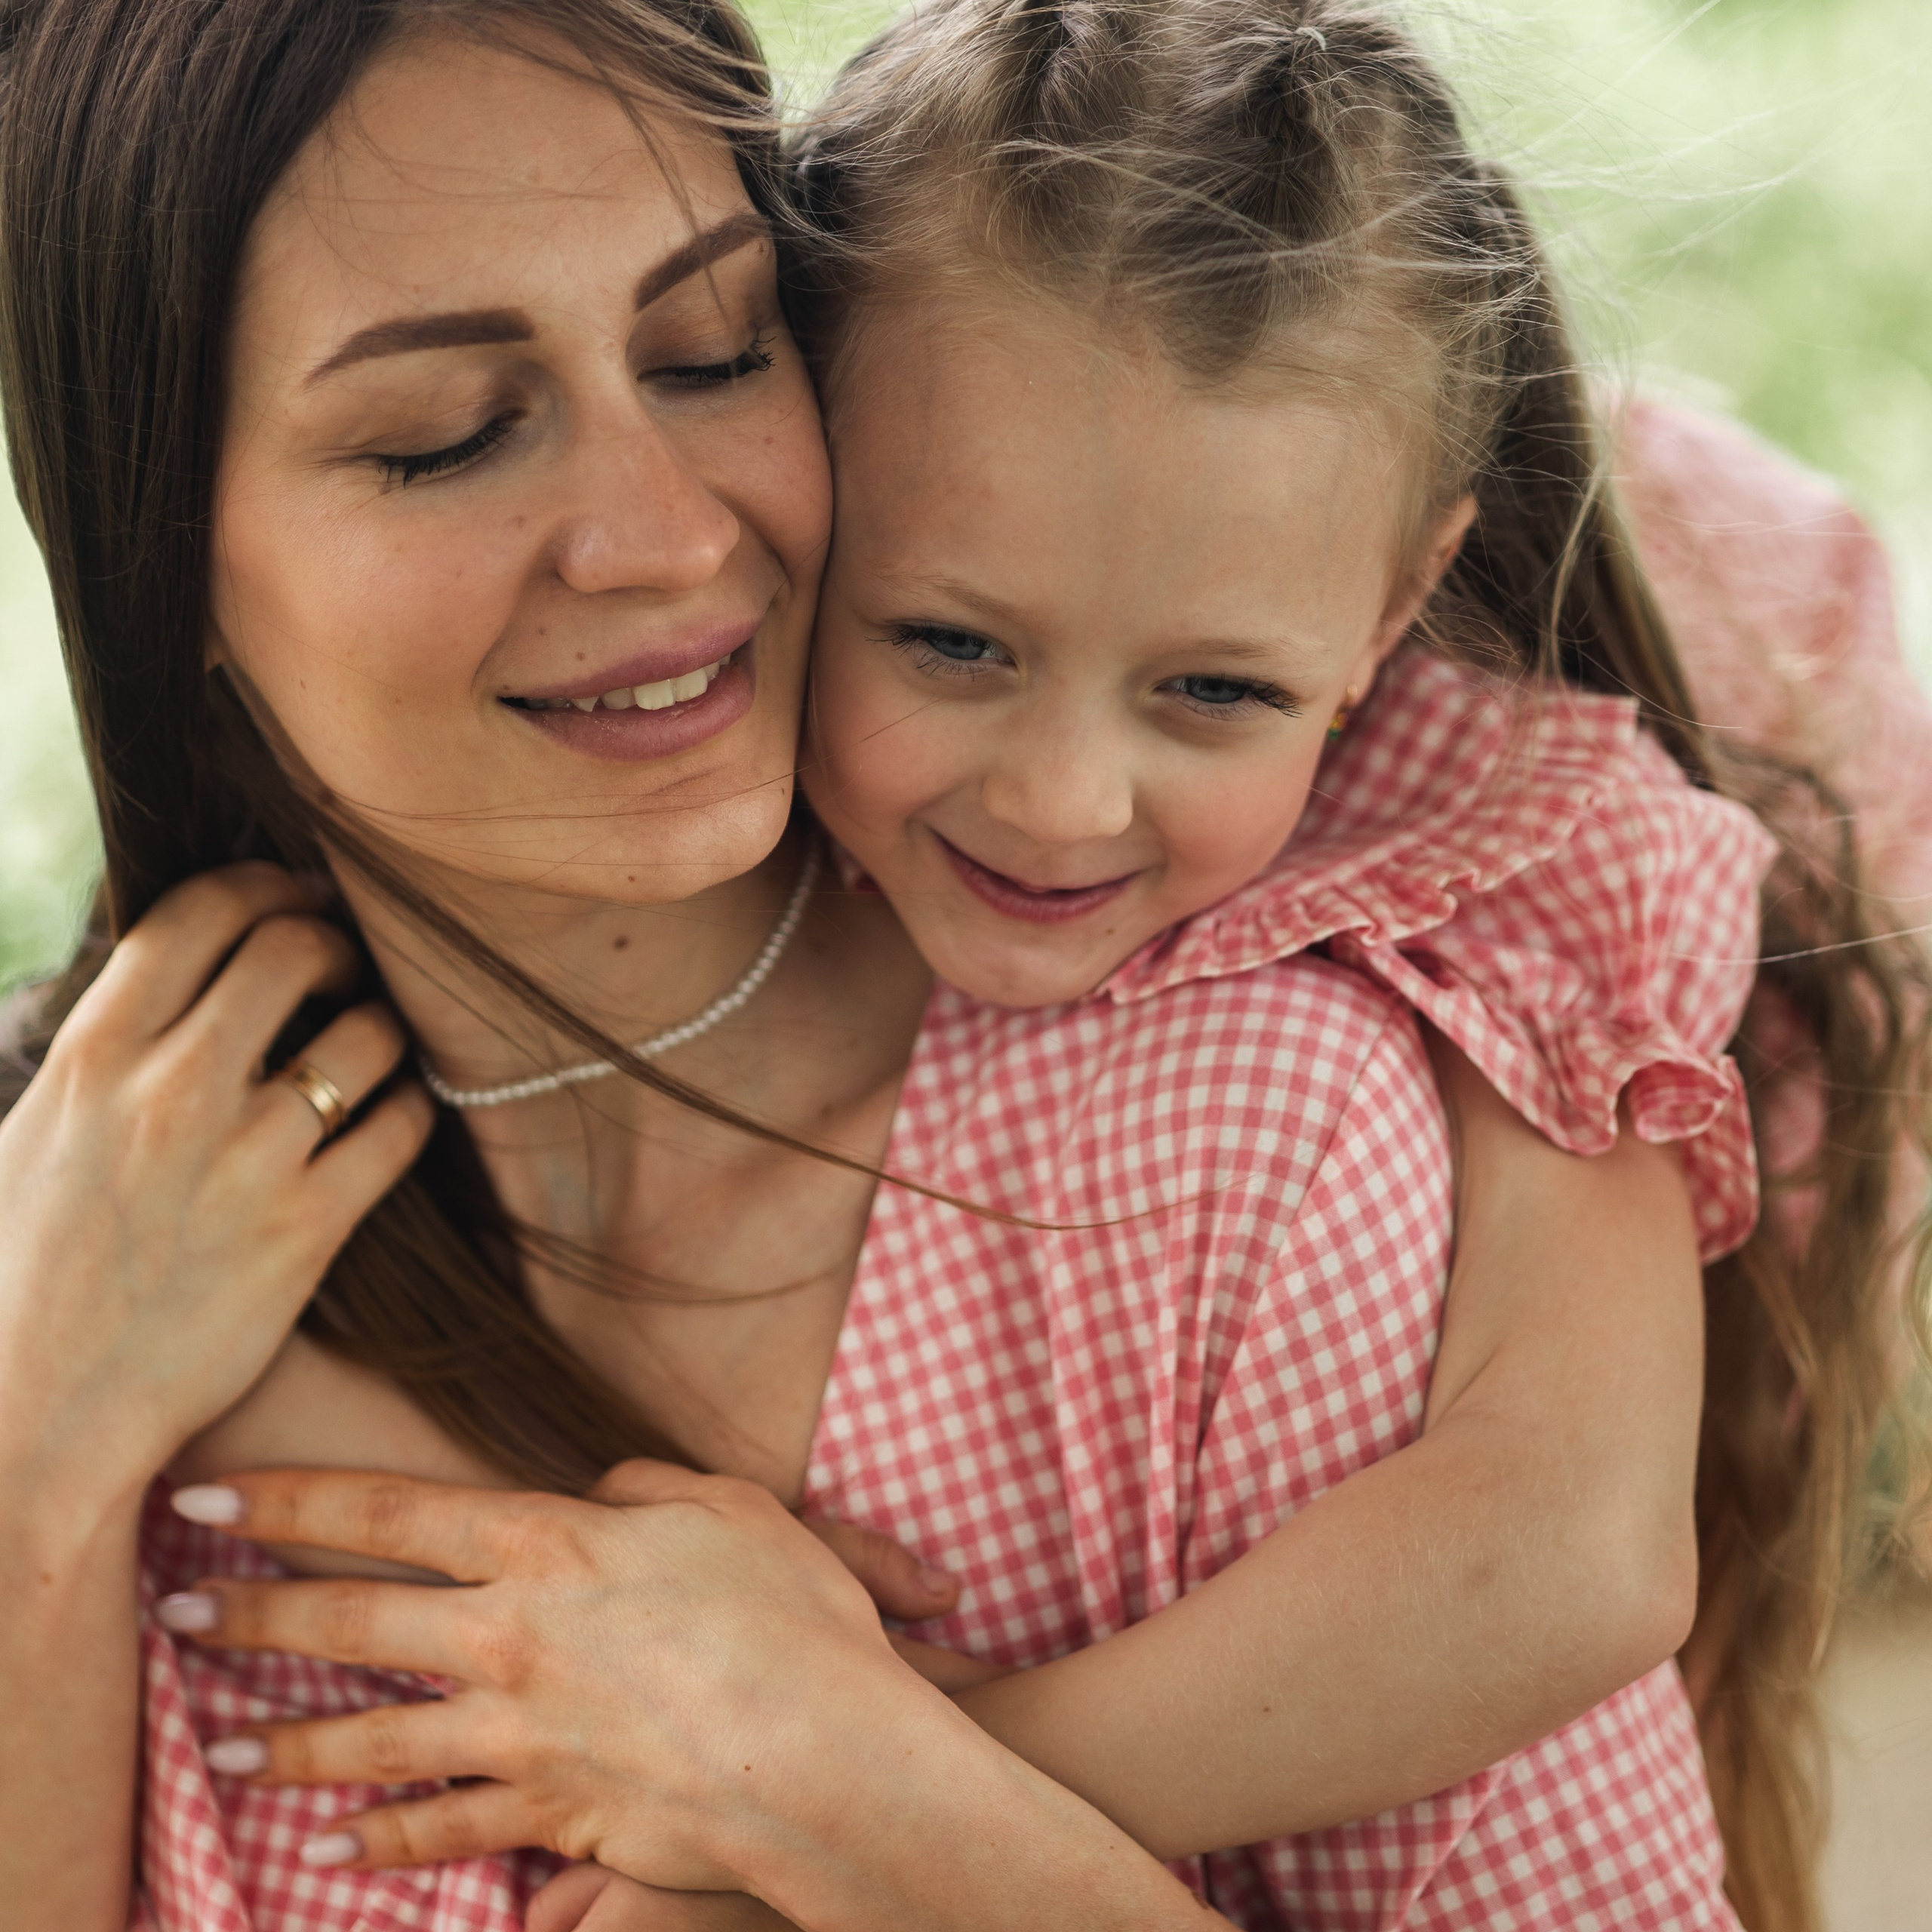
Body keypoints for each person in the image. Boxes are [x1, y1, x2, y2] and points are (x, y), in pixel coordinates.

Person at [0, 4, 1921, 1932]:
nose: (672, 538)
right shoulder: (97, 1249)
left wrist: (863, 1799)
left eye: (709, 350)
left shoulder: (1255, 1139)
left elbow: (1574, 1563)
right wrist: (35, 1462)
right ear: (154, 556)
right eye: (443, 437)